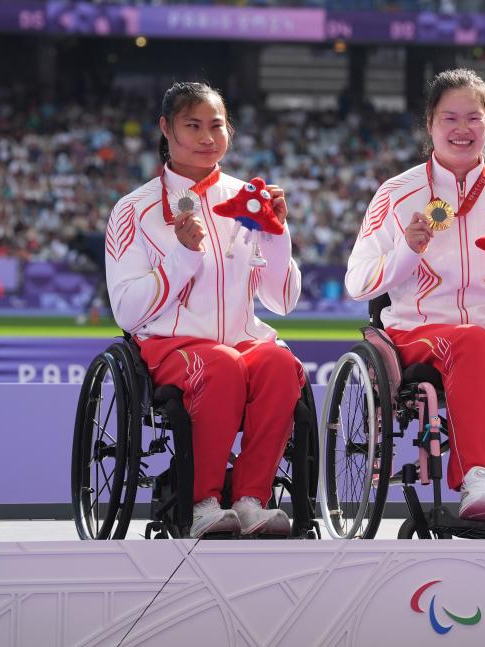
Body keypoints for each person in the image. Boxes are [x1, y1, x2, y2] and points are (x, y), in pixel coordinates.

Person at [345, 68, 485, 523]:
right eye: (449, 118)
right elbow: (358, 282)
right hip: (417, 332)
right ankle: (474, 477)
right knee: (469, 340)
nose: (462, 129)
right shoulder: (397, 193)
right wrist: (407, 250)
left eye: (473, 118)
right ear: (430, 124)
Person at [105, 82, 304, 538]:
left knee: (279, 364)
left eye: (216, 125)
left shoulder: (246, 200)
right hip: (169, 346)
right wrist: (182, 256)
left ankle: (252, 500)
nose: (207, 137)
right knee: (221, 365)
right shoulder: (133, 210)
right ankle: (201, 503)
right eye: (192, 125)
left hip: (241, 340)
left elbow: (282, 301)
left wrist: (278, 234)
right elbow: (127, 311)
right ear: (166, 128)